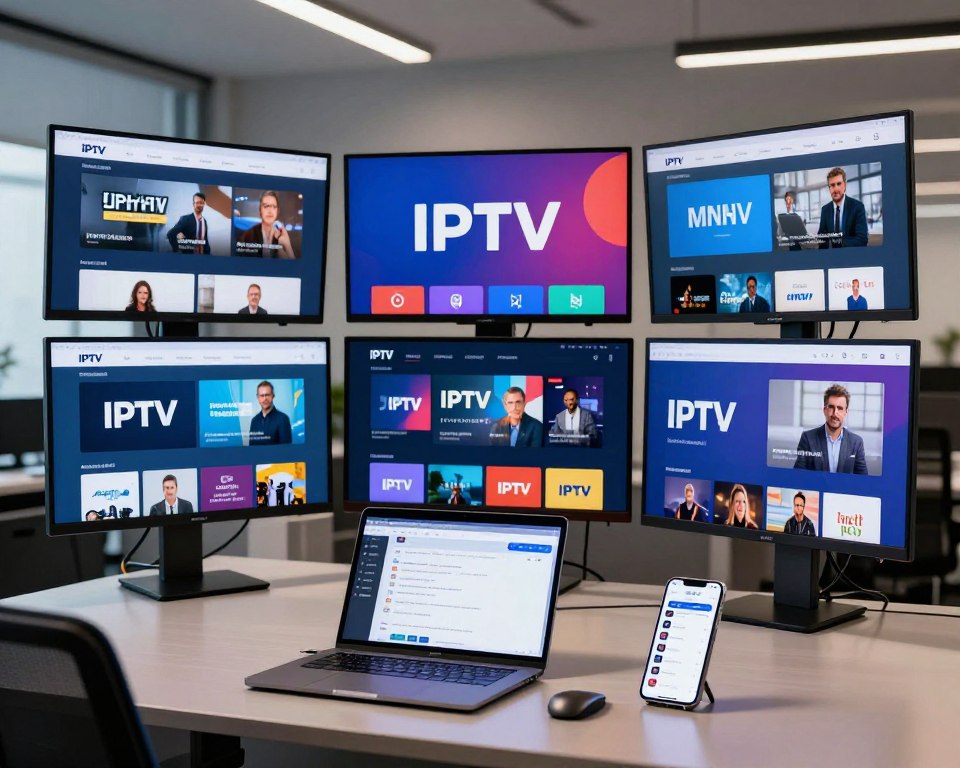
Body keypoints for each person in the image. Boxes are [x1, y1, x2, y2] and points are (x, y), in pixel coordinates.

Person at [793, 384, 868, 474]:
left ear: (846, 412)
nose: (835, 413)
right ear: (825, 410)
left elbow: (863, 479)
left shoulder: (856, 442)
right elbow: (798, 475)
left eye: (840, 408)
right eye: (831, 407)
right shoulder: (807, 438)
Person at [817, 167, 868, 248]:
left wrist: (839, 243)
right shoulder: (825, 209)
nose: (836, 189)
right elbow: (822, 237)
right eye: (832, 185)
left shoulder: (857, 207)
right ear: (829, 188)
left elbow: (862, 239)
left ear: (845, 185)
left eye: (839, 184)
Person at [237, 190, 295, 259]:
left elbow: (294, 265)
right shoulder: (248, 235)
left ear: (277, 211)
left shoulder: (282, 234)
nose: (270, 211)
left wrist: (287, 246)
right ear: (260, 210)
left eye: (274, 206)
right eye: (266, 206)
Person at [249, 380, 292, 445]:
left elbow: (286, 450)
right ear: (258, 398)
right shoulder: (254, 421)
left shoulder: (283, 419)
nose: (265, 398)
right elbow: (251, 447)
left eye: (267, 395)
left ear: (273, 396)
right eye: (262, 395)